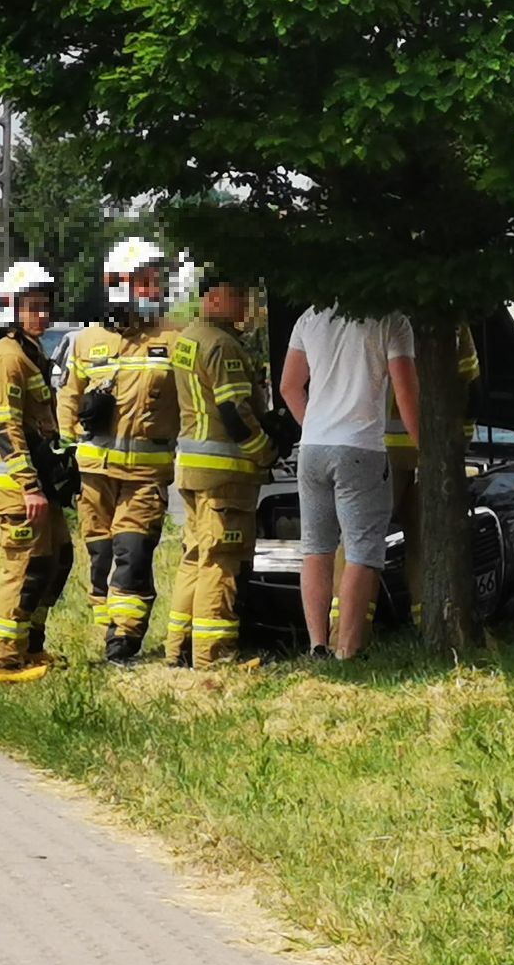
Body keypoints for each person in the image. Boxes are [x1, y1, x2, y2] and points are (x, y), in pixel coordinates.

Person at [58, 238, 178, 665]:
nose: (152, 289)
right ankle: (105, 630)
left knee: (132, 553)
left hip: (146, 475)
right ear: (116, 284)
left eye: (155, 281)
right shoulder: (88, 341)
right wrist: (68, 448)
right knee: (101, 557)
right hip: (95, 474)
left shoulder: (175, 337)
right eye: (143, 281)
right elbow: (67, 400)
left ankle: (123, 640)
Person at [280, 305, 418, 659]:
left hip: (312, 448)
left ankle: (317, 645)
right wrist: (427, 449)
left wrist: (313, 425)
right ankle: (349, 650)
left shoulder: (310, 318)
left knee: (316, 548)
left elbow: (289, 386)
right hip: (361, 449)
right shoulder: (391, 320)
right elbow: (405, 392)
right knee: (361, 551)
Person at [164, 268, 282, 667]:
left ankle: (179, 647)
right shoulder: (222, 345)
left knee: (196, 556)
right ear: (214, 297)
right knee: (222, 561)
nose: (247, 305)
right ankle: (214, 657)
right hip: (225, 474)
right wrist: (265, 451)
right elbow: (234, 412)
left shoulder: (189, 337)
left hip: (195, 471)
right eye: (239, 296)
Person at [0, 261, 74, 681]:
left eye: (45, 305)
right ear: (11, 310)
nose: (41, 314)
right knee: (25, 568)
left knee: (57, 560)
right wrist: (31, 487)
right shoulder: (5, 359)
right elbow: (6, 429)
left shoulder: (28, 354)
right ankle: (3, 660)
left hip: (40, 486)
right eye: (32, 306)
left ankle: (31, 645)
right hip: (18, 490)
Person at [356, 323, 478, 628]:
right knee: (423, 540)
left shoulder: (375, 315)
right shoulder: (453, 318)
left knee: (362, 542)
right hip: (429, 448)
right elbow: (471, 383)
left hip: (378, 446)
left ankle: (347, 630)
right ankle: (430, 624)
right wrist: (461, 438)